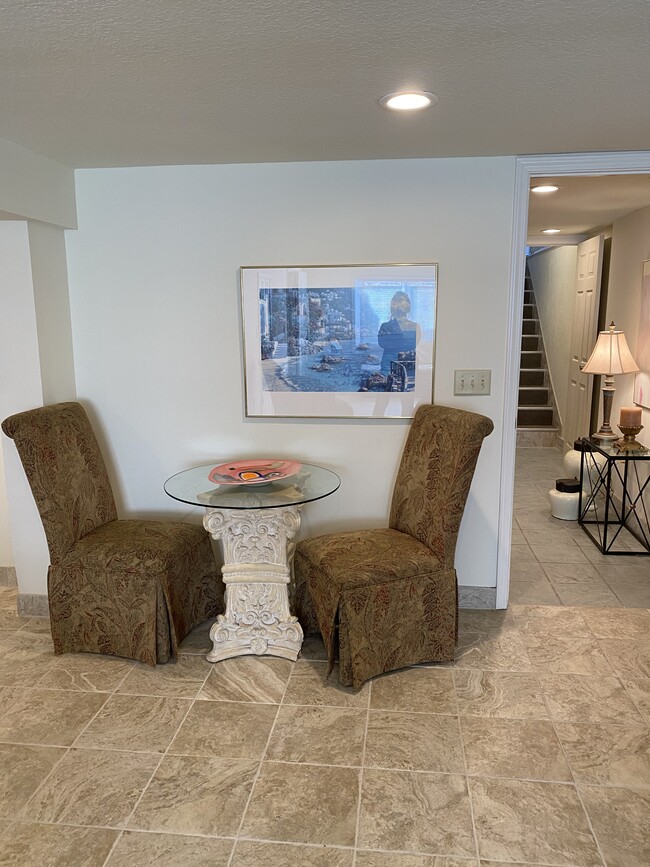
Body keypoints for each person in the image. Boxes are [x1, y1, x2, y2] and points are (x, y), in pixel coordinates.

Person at [377, 291, 420, 374]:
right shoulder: (386, 326)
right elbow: (382, 344)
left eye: (402, 302)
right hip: (390, 364)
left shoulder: (415, 326)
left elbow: (415, 344)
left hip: (408, 364)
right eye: (399, 302)